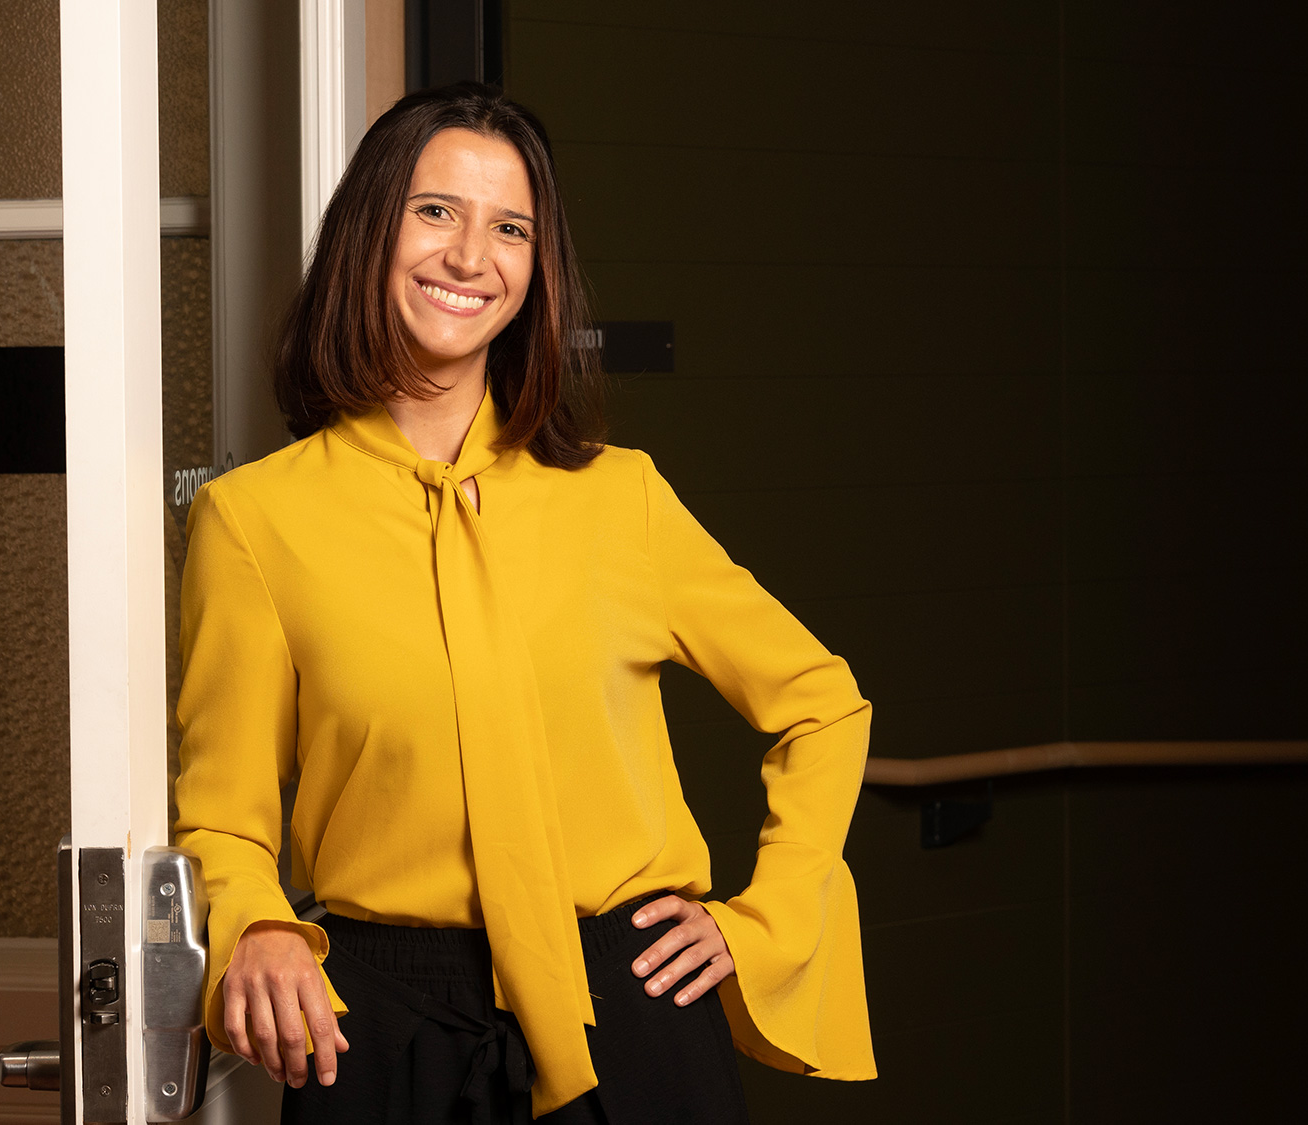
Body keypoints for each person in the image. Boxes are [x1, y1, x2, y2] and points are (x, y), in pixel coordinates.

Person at [172, 83, 874, 1124]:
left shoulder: (618, 498)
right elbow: (222, 818)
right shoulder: (255, 521)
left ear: (536, 271)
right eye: (435, 212)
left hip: (634, 1018)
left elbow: (822, 704)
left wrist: (762, 922)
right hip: (378, 1035)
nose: (469, 257)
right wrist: (253, 929)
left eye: (510, 229)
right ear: (369, 232)